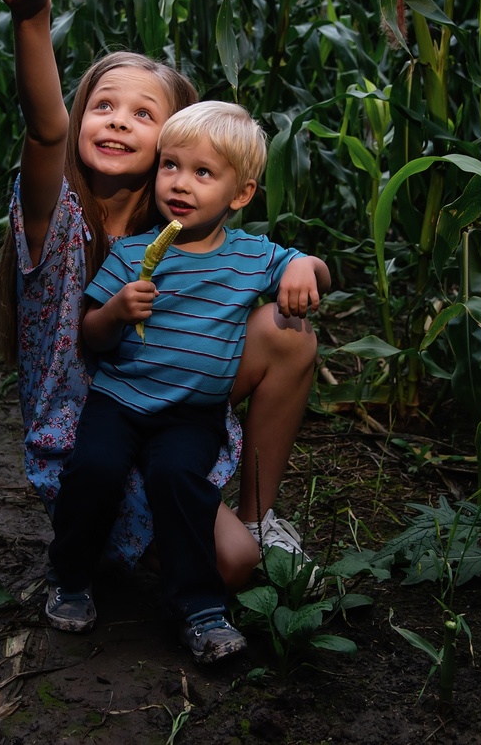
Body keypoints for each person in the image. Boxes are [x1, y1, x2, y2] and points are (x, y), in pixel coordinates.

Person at [0, 0, 319, 594]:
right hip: (87, 443)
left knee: (290, 333)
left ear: (174, 142)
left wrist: (300, 267)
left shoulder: (182, 229)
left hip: (168, 421)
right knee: (222, 569)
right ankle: (121, 545)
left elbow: (249, 284)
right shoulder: (53, 223)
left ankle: (258, 514)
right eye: (104, 104)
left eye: (144, 114)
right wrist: (33, 15)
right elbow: (46, 124)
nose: (118, 121)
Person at [45, 102, 330, 663]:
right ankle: (70, 577)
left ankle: (200, 611)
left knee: (180, 481)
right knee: (94, 469)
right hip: (120, 399)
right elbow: (93, 337)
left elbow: (310, 269)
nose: (180, 183)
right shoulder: (132, 255)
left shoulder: (254, 257)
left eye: (204, 173)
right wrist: (117, 311)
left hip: (191, 415)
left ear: (241, 194)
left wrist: (306, 266)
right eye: (170, 166)